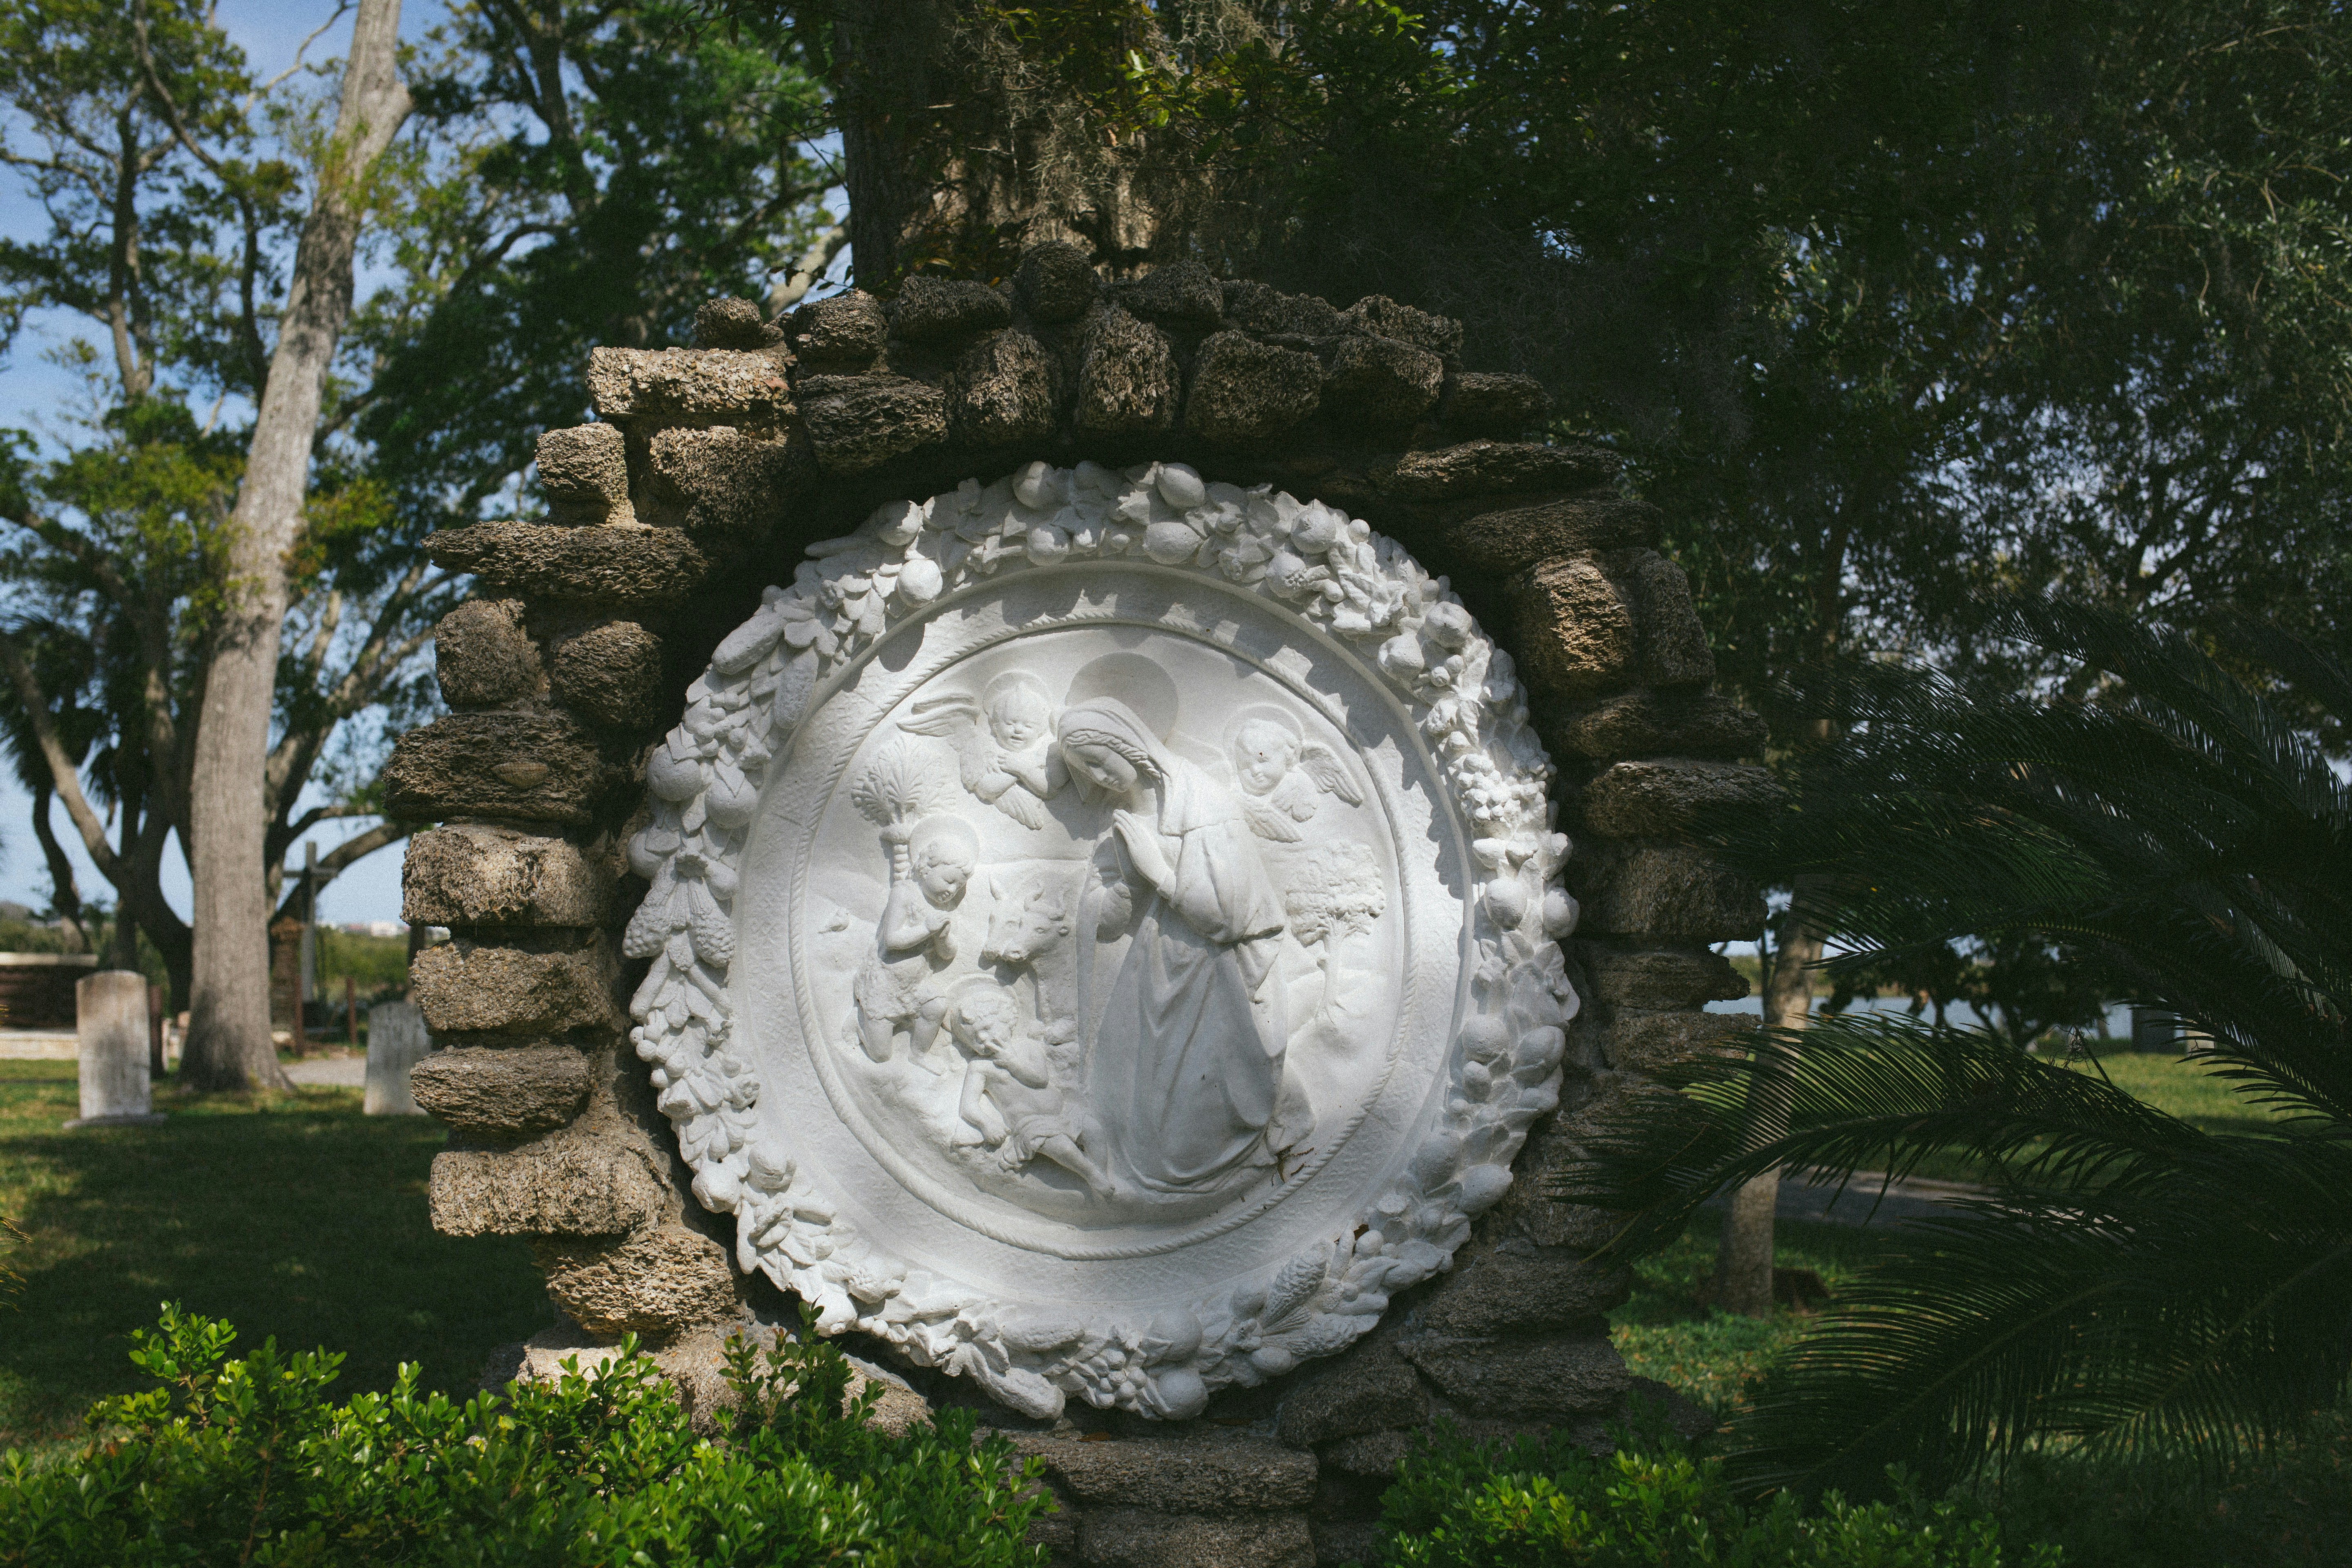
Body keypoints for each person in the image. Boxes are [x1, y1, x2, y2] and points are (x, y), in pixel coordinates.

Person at [1055, 696, 1307, 1195]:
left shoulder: (1203, 801)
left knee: (1189, 1092)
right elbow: (1111, 910)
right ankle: (1138, 1172)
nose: (1100, 777)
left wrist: (1158, 873)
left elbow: (1226, 916)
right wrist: (1117, 890)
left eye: (1100, 761)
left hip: (1211, 971)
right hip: (1158, 962)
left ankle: (1232, 1148)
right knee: (1138, 1087)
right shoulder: (1129, 812)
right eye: (1087, 772)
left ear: (1126, 742)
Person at [951, 986, 1117, 1200]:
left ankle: (1101, 1175)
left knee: (1093, 1129)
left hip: (1064, 1113)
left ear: (1006, 1021)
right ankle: (1091, 1175)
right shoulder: (980, 1067)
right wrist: (987, 1125)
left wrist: (1012, 1062)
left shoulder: (1029, 1048)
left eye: (987, 1028)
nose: (983, 1038)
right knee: (1061, 1146)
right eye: (974, 1039)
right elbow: (968, 1107)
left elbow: (1040, 1080)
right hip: (1030, 1124)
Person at [851, 814, 976, 1066]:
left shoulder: (940, 910)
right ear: (927, 869)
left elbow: (947, 955)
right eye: (949, 881)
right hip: (885, 985)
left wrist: (943, 938)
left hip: (915, 986)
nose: (952, 890)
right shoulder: (904, 892)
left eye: (958, 887)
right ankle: (858, 1022)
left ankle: (919, 1054)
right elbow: (892, 940)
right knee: (881, 1055)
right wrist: (926, 929)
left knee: (937, 1006)